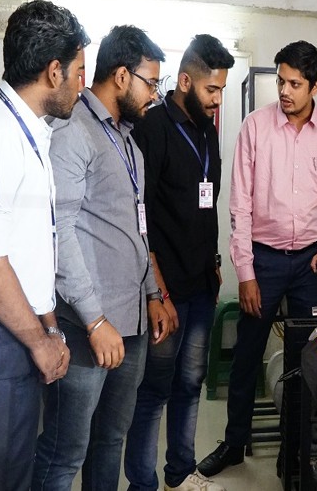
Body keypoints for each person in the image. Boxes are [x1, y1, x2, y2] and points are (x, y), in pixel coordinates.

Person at [197, 40, 317, 477]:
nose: (284, 91)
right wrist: (246, 274)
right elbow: (239, 207)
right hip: (264, 262)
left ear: (316, 87)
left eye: (294, 84)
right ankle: (233, 444)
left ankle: (296, 448)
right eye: (281, 81)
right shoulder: (255, 127)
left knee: (308, 359)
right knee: (247, 355)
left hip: (311, 263)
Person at [32, 26, 170, 490]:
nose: (155, 94)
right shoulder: (73, 132)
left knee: (111, 438)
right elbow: (60, 233)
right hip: (84, 327)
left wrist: (152, 292)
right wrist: (94, 320)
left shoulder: (130, 143)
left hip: (129, 324)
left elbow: (137, 227)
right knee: (65, 449)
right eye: (150, 83)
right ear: (121, 75)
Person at [0, 0, 87, 490]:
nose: (81, 84)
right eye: (78, 72)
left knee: (15, 473)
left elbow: (31, 248)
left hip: (20, 325)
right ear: (54, 72)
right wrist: (39, 341)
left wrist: (50, 329)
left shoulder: (31, 131)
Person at [124, 34, 235, 491]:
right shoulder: (151, 129)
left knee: (190, 384)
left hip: (201, 285)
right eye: (212, 90)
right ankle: (142, 482)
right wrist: (158, 292)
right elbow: (140, 219)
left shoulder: (209, 129)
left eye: (223, 91)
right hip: (164, 290)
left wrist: (211, 262)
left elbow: (204, 202)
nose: (218, 99)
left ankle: (179, 473)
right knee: (153, 391)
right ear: (185, 81)